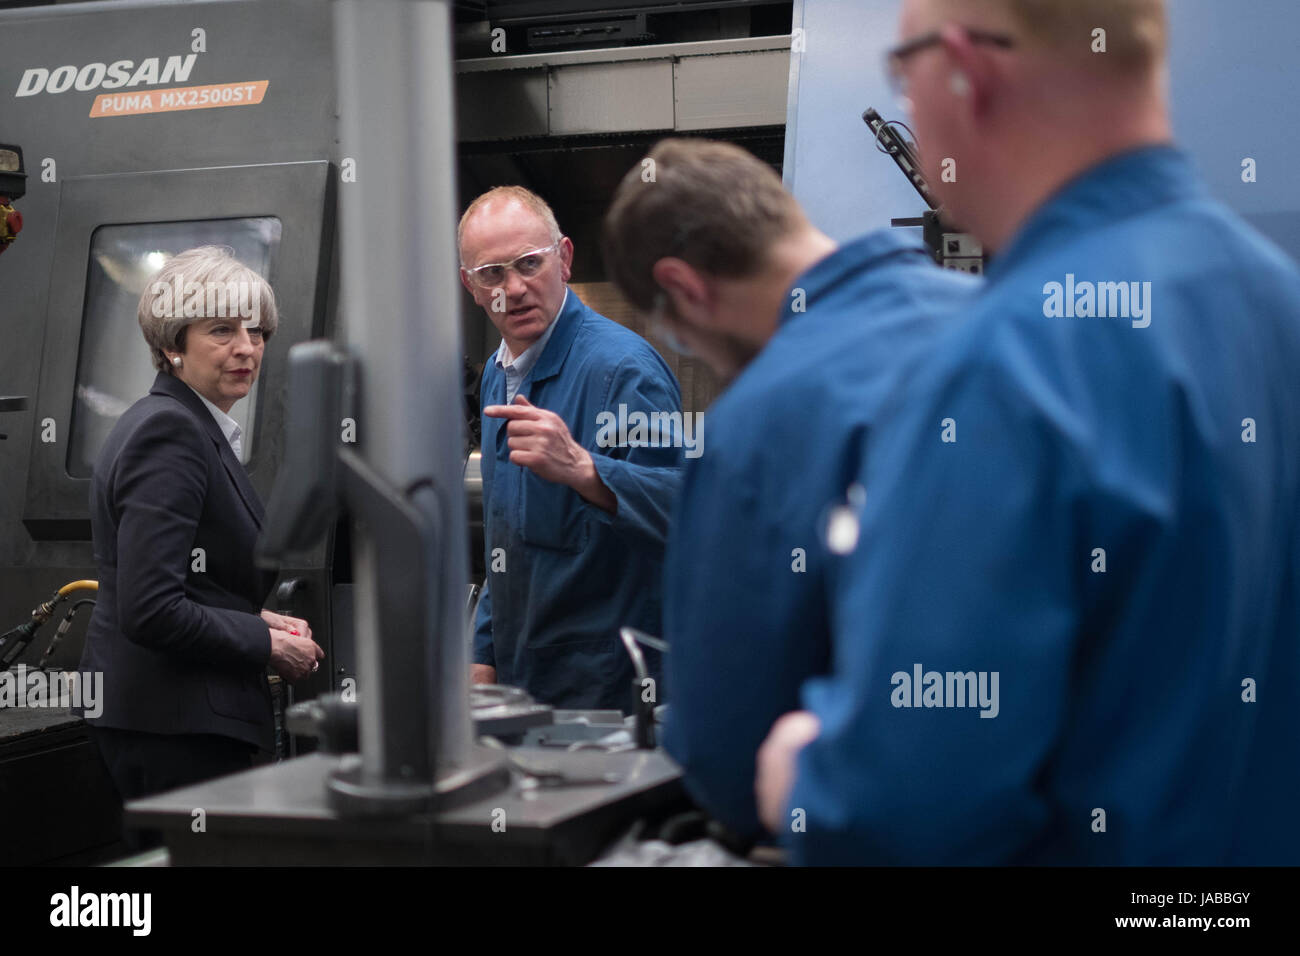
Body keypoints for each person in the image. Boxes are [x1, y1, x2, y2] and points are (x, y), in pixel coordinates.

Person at [757, 0, 1300, 864]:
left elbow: (899, 811)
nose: (905, 108)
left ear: (968, 70)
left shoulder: (1001, 366)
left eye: (904, 74)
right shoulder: (1278, 304)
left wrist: (804, 780)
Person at [602, 138, 979, 841]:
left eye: (676, 333)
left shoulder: (754, 429)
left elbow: (727, 755)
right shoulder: (1005, 318)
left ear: (685, 290)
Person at [77, 246, 323, 841]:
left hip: (169, 720)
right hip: (172, 728)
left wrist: (254, 614)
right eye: (221, 330)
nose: (247, 347)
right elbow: (151, 608)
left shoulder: (190, 425)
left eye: (256, 330)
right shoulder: (171, 432)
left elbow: (185, 581)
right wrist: (261, 642)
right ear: (171, 346)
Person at [461, 186, 683, 712]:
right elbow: (507, 540)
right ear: (470, 286)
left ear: (563, 259)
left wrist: (586, 470)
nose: (513, 289)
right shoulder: (498, 375)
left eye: (528, 264)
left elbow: (686, 510)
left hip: (609, 698)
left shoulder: (622, 371)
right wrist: (483, 652)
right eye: (492, 273)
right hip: (523, 689)